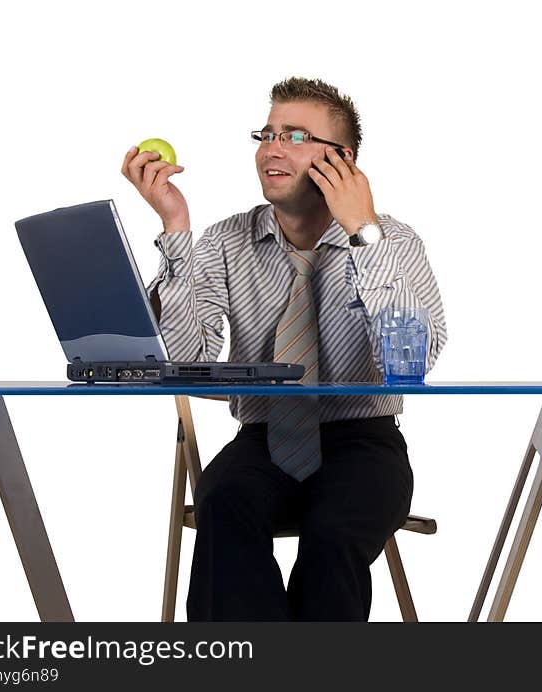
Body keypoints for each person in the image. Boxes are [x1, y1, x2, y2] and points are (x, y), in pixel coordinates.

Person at [120, 77, 447, 621]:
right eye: (267, 133)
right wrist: (174, 226)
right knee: (223, 507)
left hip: (363, 445)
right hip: (263, 442)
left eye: (295, 135)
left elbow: (408, 362)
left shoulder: (392, 242)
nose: (271, 147)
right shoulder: (228, 240)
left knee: (332, 534)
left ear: (341, 161)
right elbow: (184, 361)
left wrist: (363, 230)